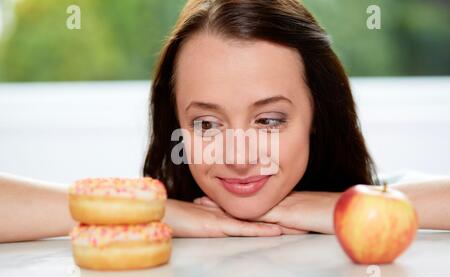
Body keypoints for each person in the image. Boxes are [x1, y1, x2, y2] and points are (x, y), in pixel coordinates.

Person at [1, 0, 449, 243]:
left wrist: (344, 210)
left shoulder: (380, 201)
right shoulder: (150, 226)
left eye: (269, 120)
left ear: (317, 114)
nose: (239, 156)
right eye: (207, 126)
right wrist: (152, 211)